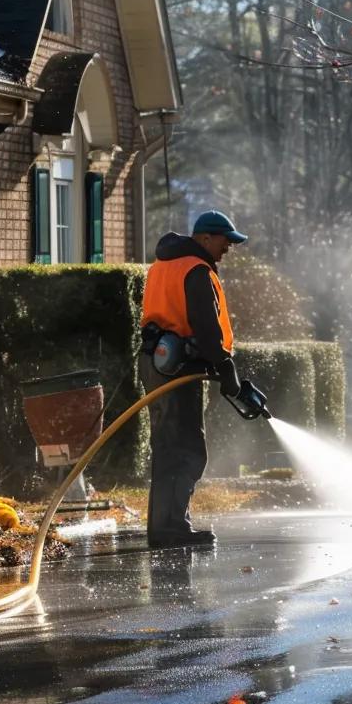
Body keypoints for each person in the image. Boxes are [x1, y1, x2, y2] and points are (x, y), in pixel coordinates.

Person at [139, 209, 248, 548]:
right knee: (186, 448)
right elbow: (205, 325)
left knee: (167, 446)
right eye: (224, 241)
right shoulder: (196, 270)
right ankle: (172, 528)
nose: (227, 248)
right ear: (205, 238)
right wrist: (224, 365)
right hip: (178, 367)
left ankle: (164, 526)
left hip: (157, 360)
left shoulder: (162, 266)